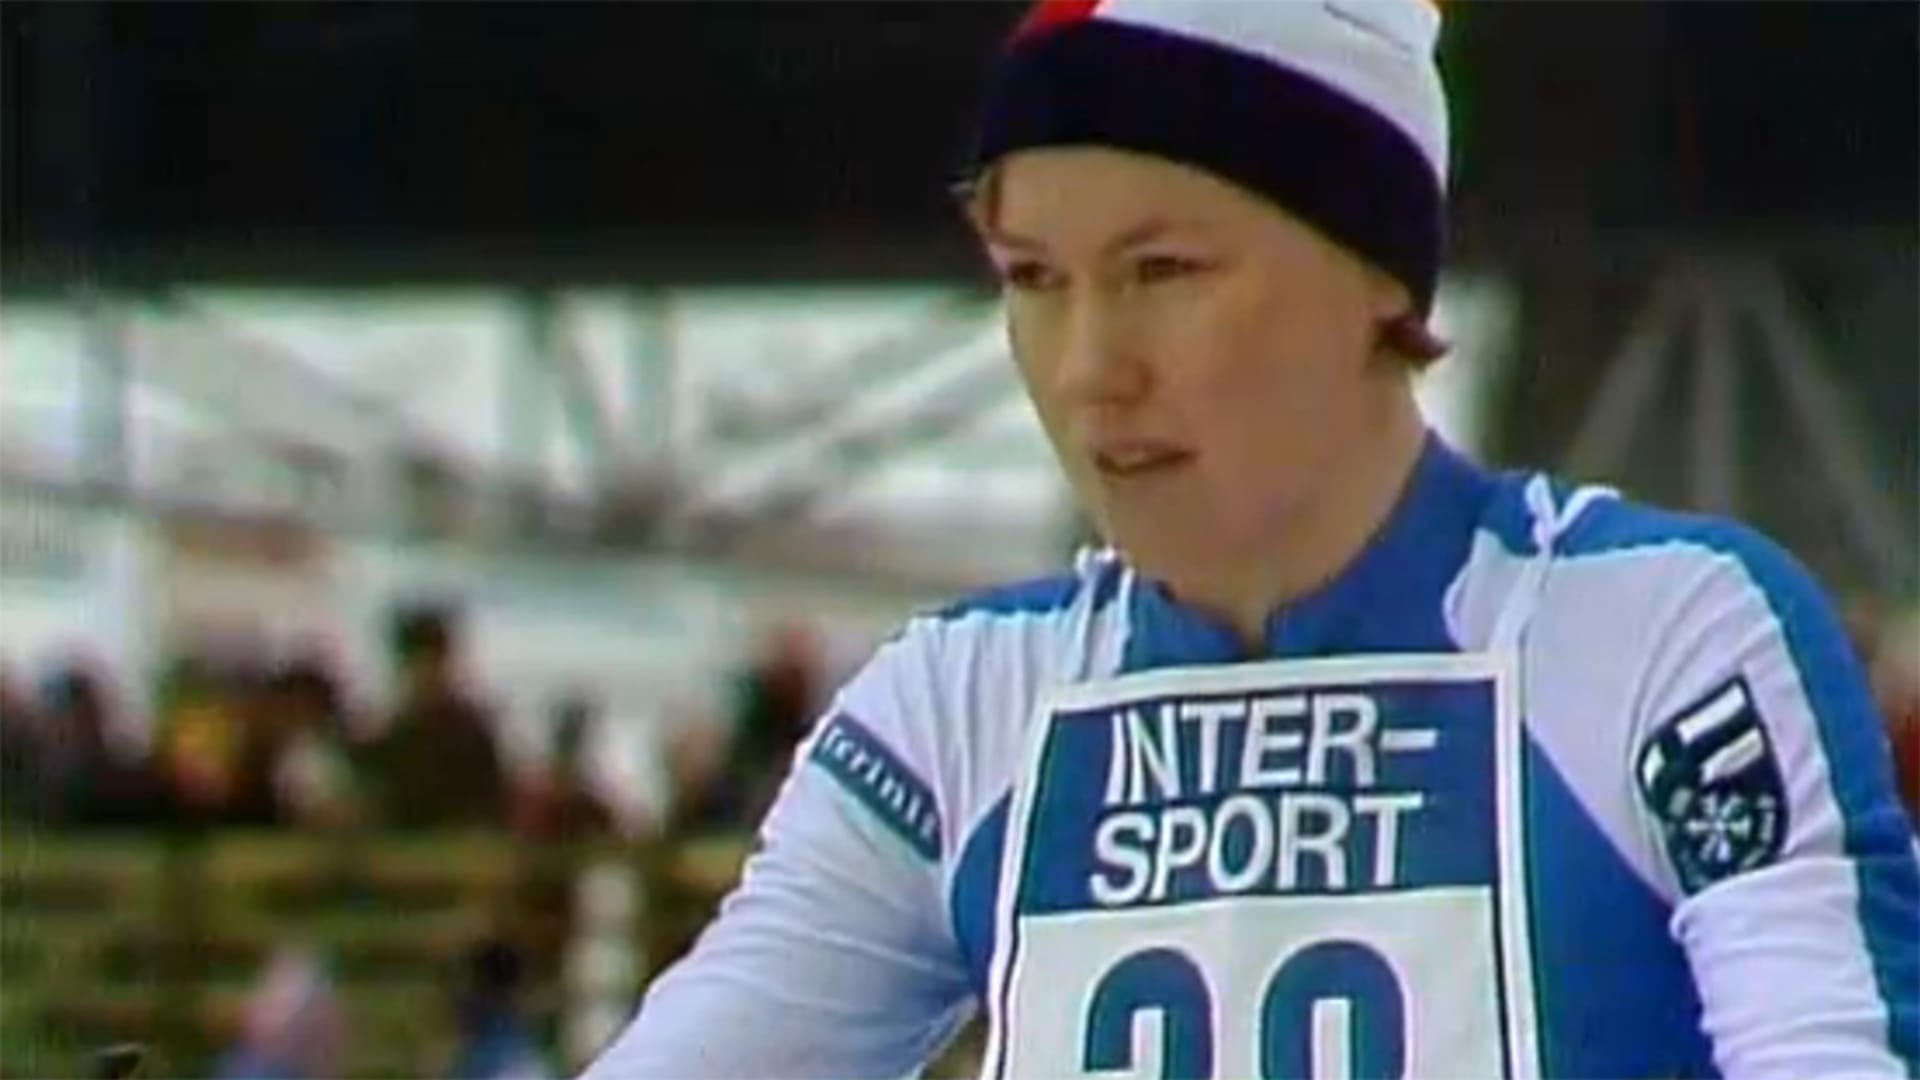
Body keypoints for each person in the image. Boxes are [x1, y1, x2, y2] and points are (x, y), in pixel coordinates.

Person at [585, 3, 1919, 1078]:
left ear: (1376, 275)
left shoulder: (1658, 639)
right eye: (1034, 279)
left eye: (1163, 271)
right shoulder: (958, 708)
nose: (1090, 368)